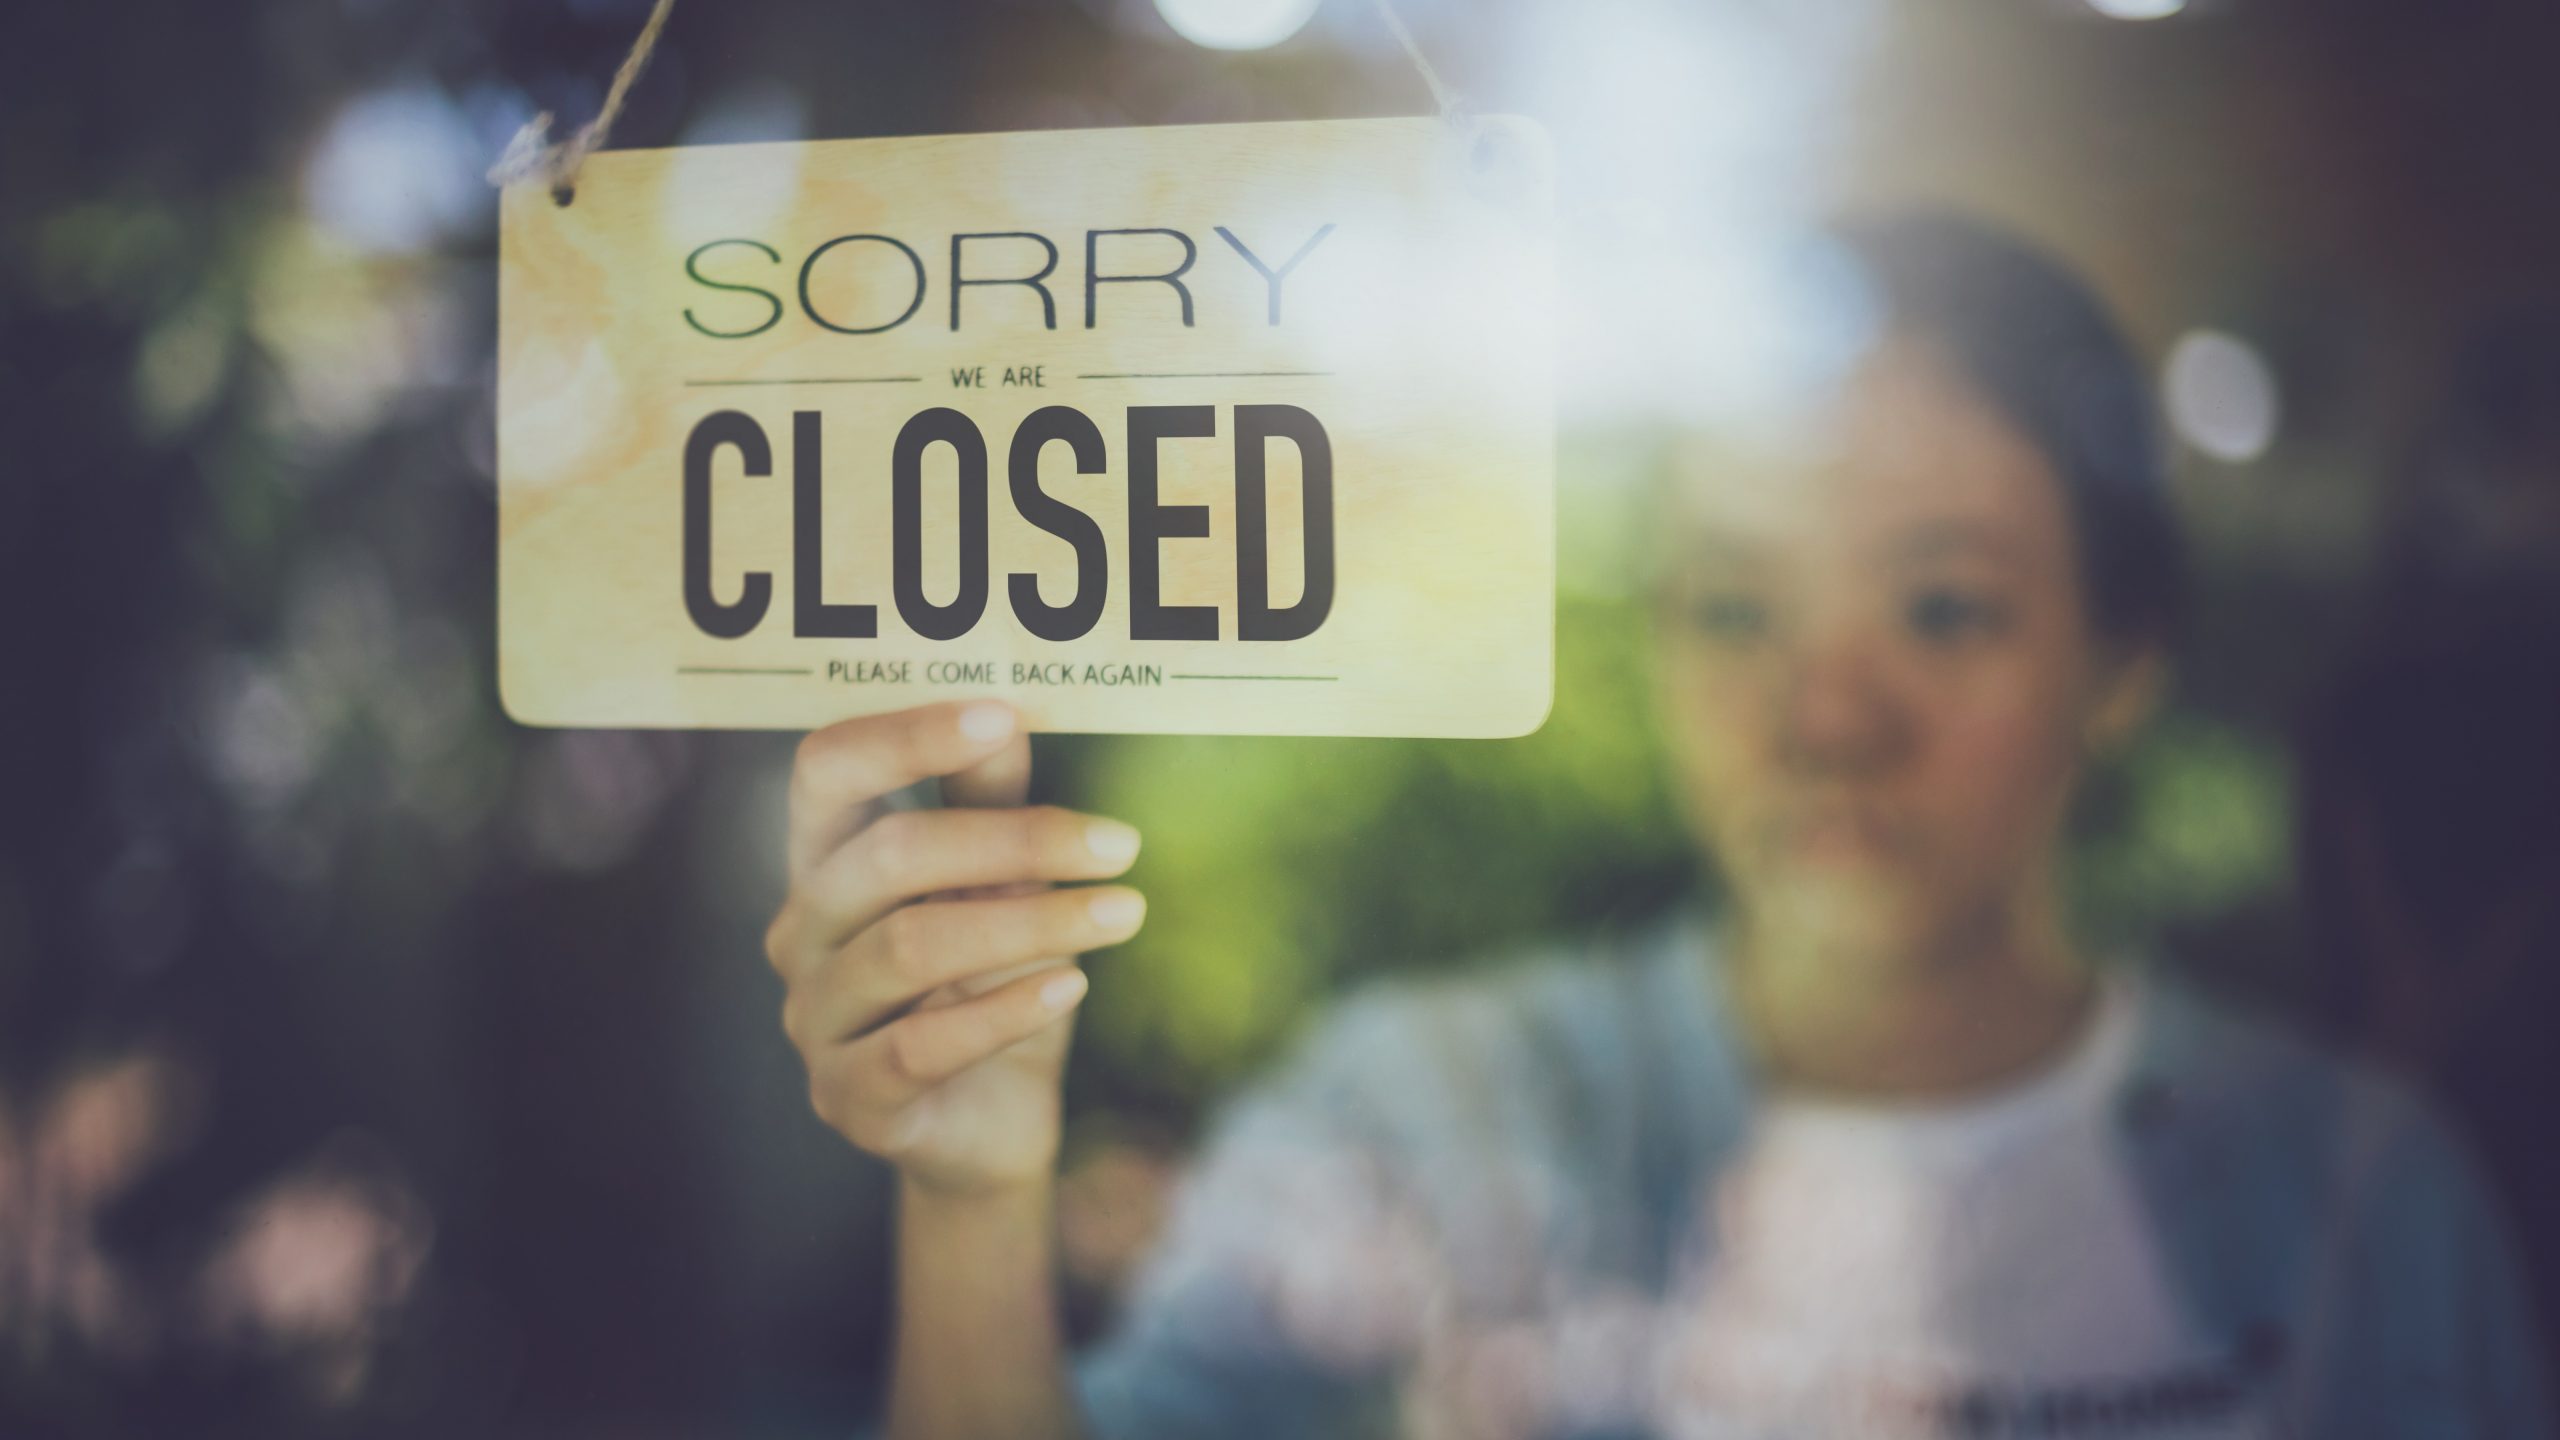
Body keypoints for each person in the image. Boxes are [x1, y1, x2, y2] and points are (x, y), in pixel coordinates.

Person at [760, 213, 2551, 1439]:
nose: (1826, 716)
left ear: (2126, 652)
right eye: (1734, 607)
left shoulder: (2356, 1212)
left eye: (1945, 610)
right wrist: (973, 1203)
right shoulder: (1436, 1111)